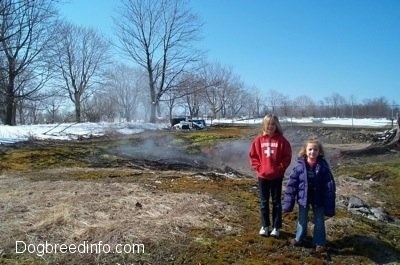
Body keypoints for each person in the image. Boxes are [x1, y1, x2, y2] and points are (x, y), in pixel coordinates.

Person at [283, 137, 336, 252]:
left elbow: (329, 186)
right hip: (303, 198)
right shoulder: (299, 167)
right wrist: (288, 203)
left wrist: (330, 204)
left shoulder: (323, 167)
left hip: (319, 199)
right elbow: (292, 185)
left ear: (319, 151)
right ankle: (299, 238)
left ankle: (319, 243)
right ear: (305, 151)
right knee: (302, 219)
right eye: (310, 149)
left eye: (315, 150)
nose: (313, 152)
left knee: (319, 220)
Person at [249, 114, 292, 237]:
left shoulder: (282, 140)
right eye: (268, 124)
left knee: (276, 202)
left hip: (277, 177)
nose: (270, 126)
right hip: (263, 177)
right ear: (264, 125)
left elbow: (287, 157)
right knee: (263, 202)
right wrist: (259, 168)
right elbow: (253, 156)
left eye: (273, 124)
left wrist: (280, 169)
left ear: (277, 125)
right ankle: (265, 225)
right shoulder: (258, 140)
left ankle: (276, 227)